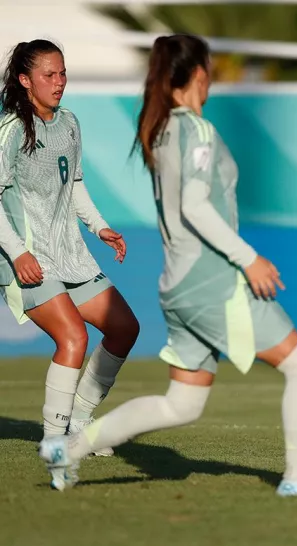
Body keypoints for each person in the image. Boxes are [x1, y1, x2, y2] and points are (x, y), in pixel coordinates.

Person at [37, 34, 297, 498]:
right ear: (200, 74)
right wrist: (250, 260)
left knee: (182, 404)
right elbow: (196, 206)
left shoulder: (162, 130)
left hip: (177, 286)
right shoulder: (196, 129)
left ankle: (69, 448)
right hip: (211, 282)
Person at [0, 39, 139, 489]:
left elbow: (74, 183)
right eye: (49, 75)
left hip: (71, 255)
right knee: (73, 338)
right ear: (25, 80)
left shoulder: (70, 124)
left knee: (124, 328)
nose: (59, 83)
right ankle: (55, 442)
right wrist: (17, 252)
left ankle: (79, 421)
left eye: (63, 73)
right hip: (27, 257)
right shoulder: (10, 132)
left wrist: (99, 228)